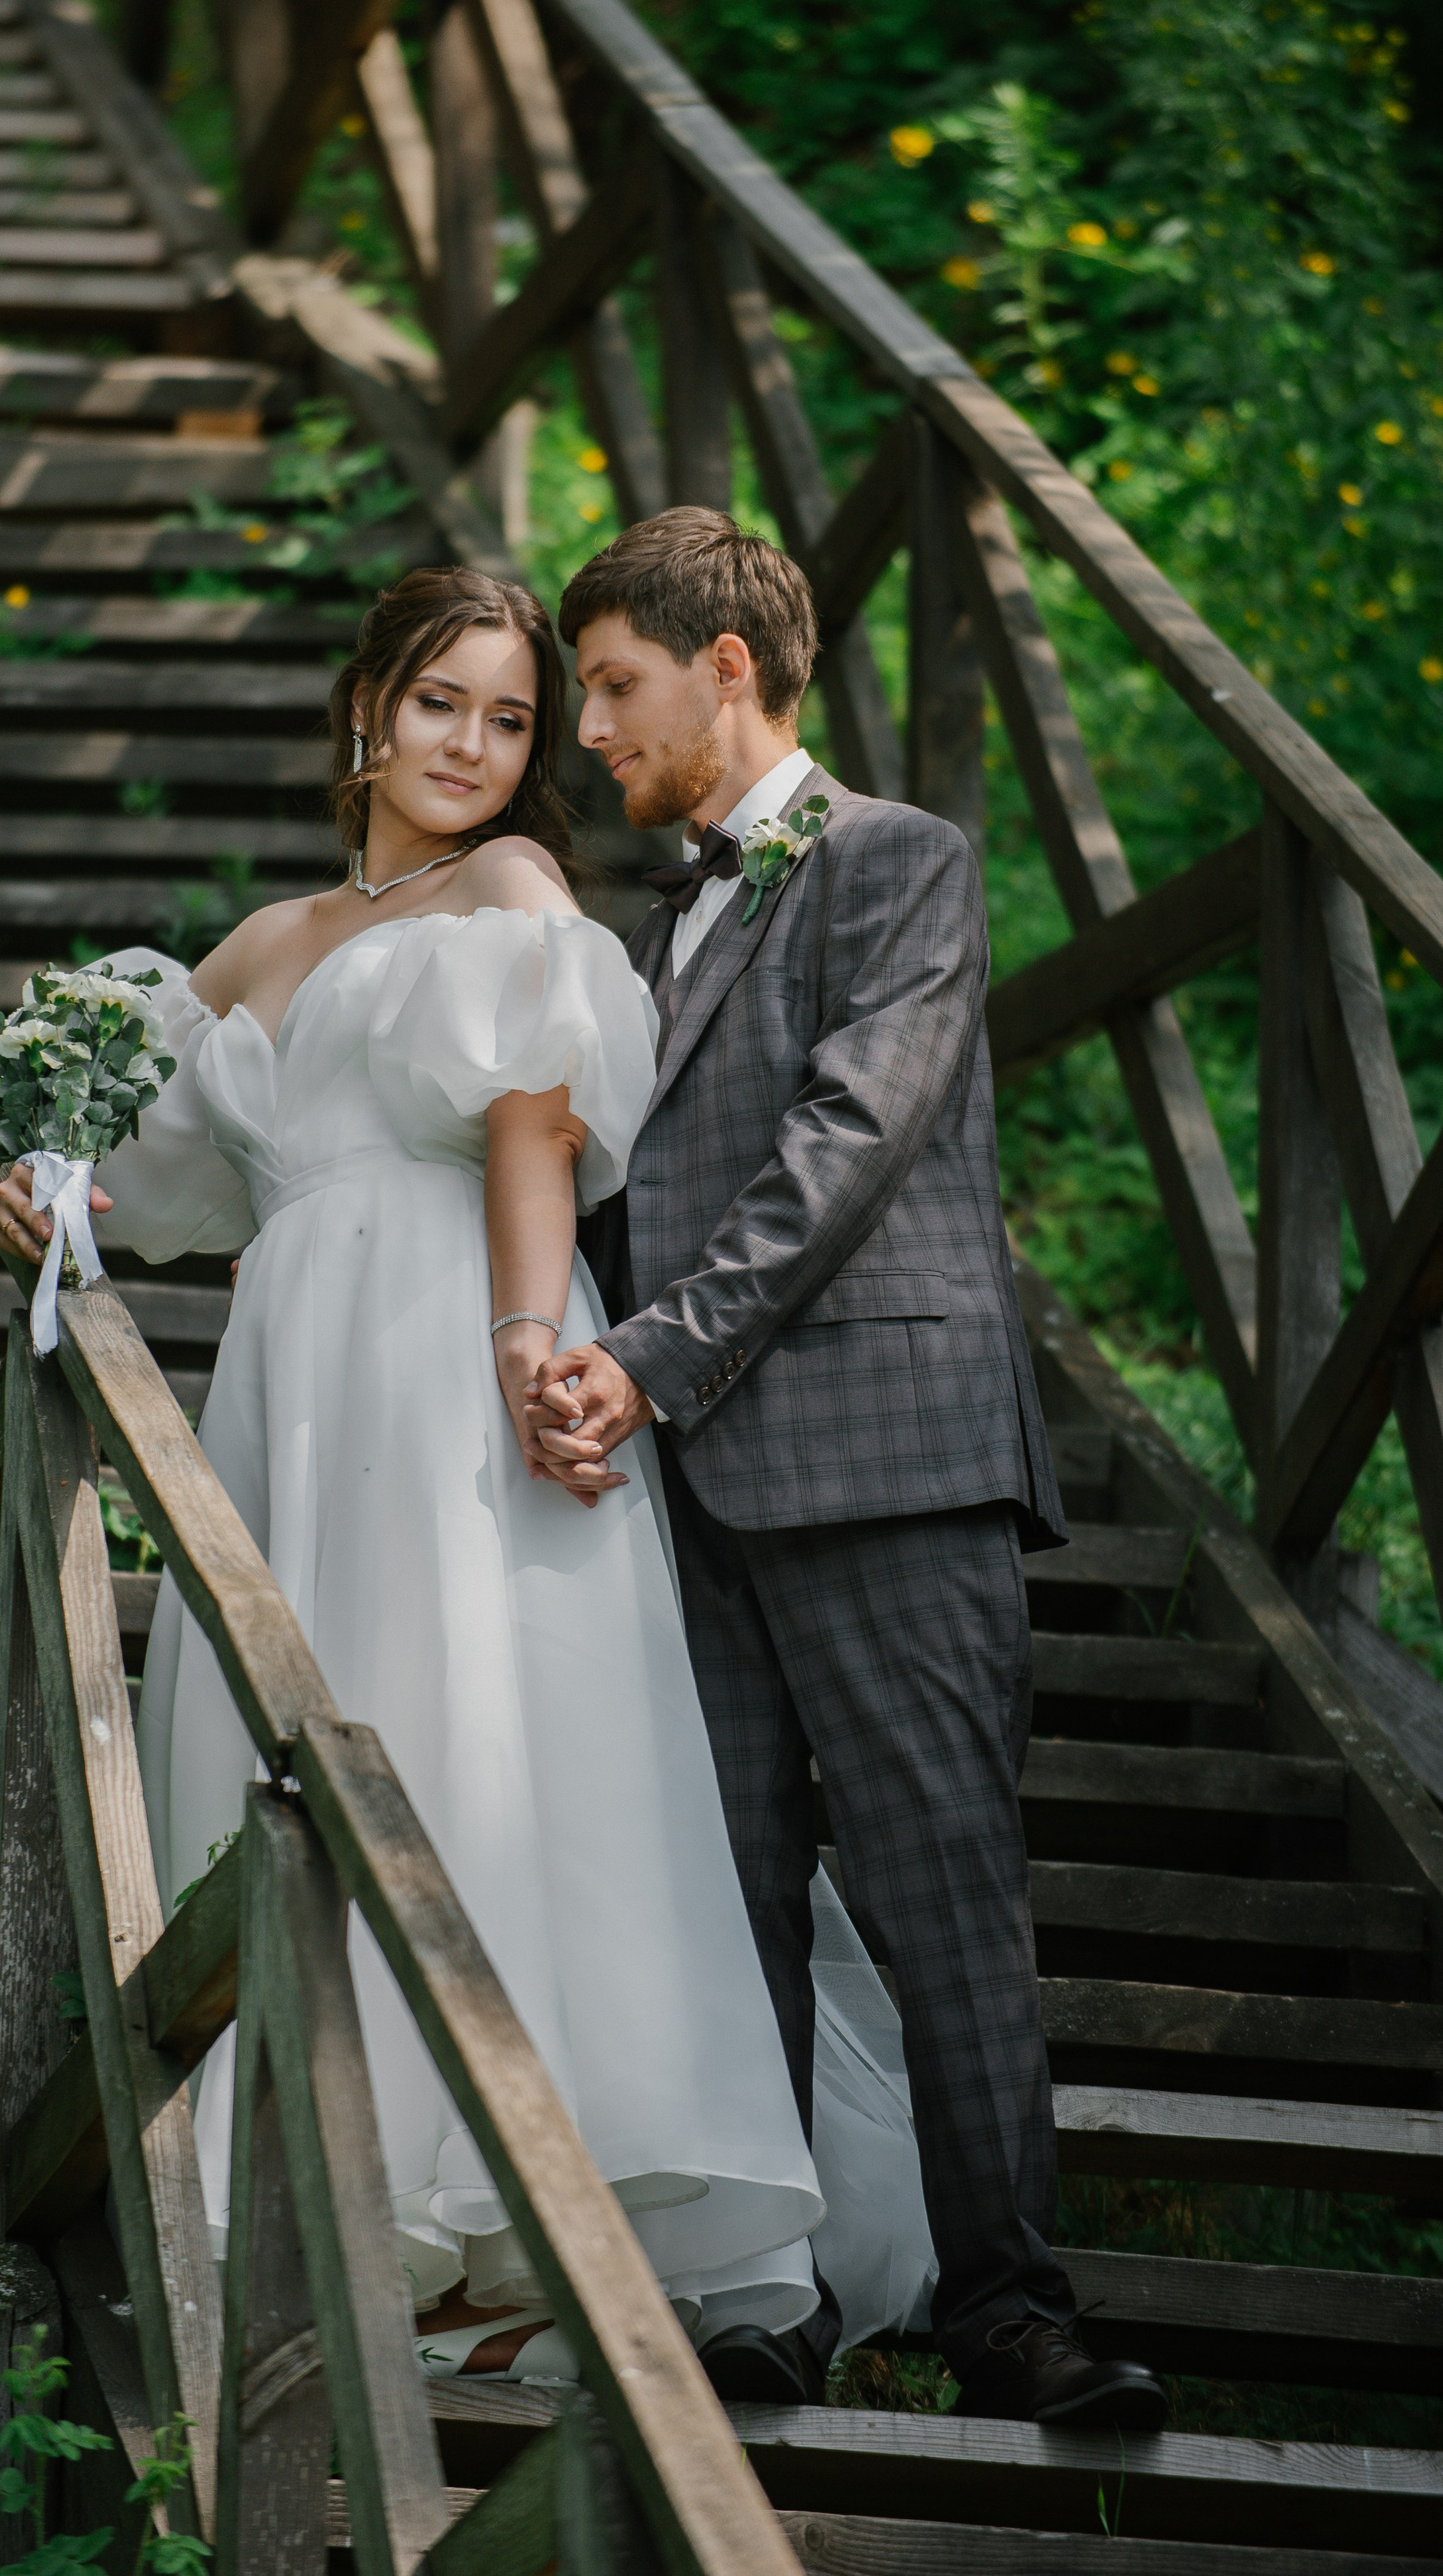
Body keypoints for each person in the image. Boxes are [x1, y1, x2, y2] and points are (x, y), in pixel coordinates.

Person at [0, 564, 937, 2391]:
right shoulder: (258, 945)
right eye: (446, 704)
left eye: (513, 719)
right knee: (309, 1726)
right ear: (368, 703)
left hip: (438, 1354)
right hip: (289, 1388)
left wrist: (523, 1341)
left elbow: (530, 1125)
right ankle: (336, 2192)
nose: (478, 748)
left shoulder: (511, 890)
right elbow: (150, 1191)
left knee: (473, 1735)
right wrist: (48, 1188)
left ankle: (504, 2216)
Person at [527, 507, 1167, 2428]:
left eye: (614, 685)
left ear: (730, 666)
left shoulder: (897, 862)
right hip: (690, 1500)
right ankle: (772, 2296)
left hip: (884, 1463)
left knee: (937, 1888)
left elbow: (843, 1145)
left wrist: (638, 1361)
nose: (585, 733)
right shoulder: (651, 920)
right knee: (728, 1905)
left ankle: (1008, 2309)